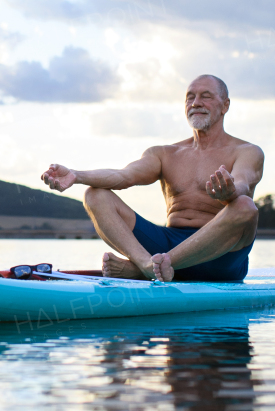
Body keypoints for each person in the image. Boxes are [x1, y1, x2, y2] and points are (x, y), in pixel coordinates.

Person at [40, 75, 263, 282]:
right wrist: (77, 176)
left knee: (245, 206)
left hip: (221, 254)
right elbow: (123, 176)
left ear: (225, 106)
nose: (195, 103)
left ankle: (151, 268)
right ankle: (148, 266)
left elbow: (242, 182)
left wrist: (230, 192)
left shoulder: (246, 151)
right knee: (95, 194)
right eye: (190, 97)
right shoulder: (164, 153)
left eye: (206, 96)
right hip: (167, 242)